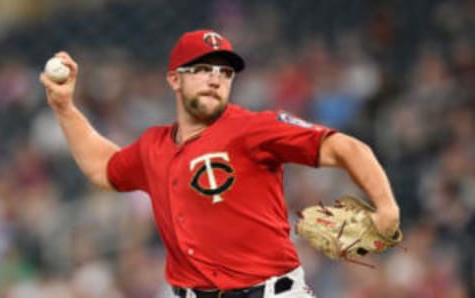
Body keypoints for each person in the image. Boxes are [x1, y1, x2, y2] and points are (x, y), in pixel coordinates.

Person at [39, 30, 400, 298]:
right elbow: (104, 168)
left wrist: (385, 207)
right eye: (203, 69)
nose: (215, 78)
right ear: (174, 79)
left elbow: (347, 148)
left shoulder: (253, 127)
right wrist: (64, 108)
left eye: (225, 73)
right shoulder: (153, 145)